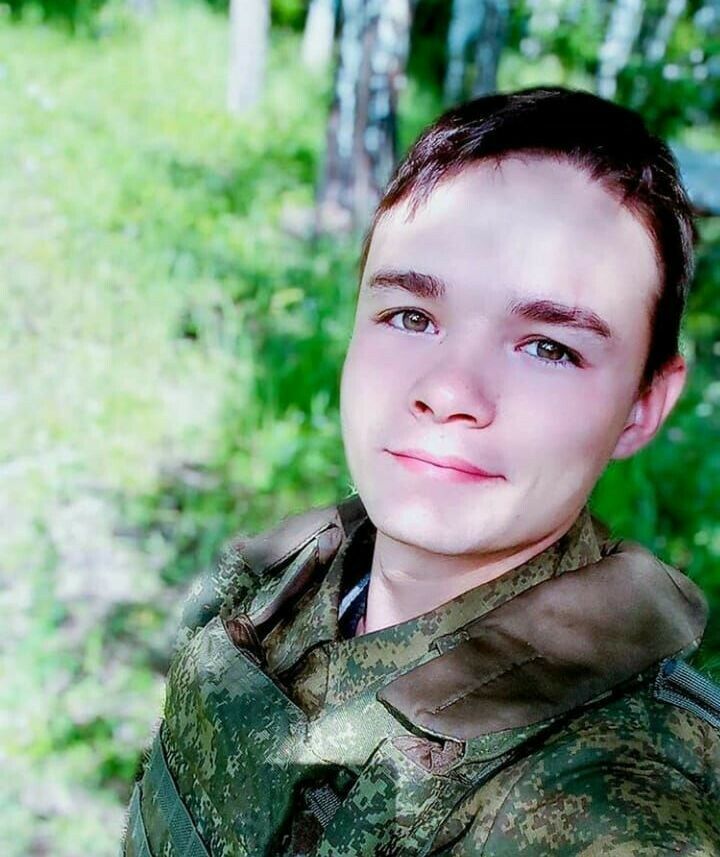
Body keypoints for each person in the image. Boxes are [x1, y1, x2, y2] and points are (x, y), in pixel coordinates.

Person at [121, 86, 720, 856]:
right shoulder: (263, 583)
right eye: (411, 315)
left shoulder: (614, 806)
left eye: (549, 347)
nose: (449, 391)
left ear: (643, 404)